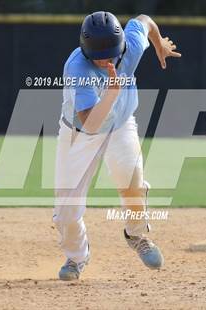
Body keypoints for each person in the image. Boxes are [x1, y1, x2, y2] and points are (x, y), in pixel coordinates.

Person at [53, 11, 181, 280]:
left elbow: (144, 20)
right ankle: (77, 257)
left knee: (132, 183)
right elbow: (90, 124)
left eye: (111, 53)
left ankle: (136, 234)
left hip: (121, 126)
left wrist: (159, 44)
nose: (106, 59)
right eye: (98, 56)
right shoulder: (77, 68)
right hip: (80, 134)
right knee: (66, 211)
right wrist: (111, 93)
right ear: (85, 51)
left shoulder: (130, 45)